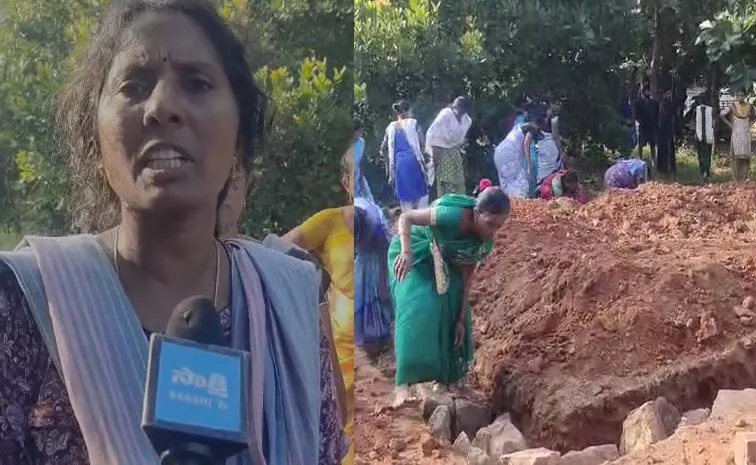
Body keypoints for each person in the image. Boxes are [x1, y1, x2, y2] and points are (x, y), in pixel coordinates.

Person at [0, 1, 348, 464]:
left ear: (239, 134)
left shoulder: (287, 301)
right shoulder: (24, 301)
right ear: (95, 133)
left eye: (197, 83)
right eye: (134, 86)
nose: (162, 108)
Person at [388, 189, 510, 406]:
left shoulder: (484, 243)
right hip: (415, 248)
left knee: (451, 308)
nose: (493, 231)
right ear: (476, 213)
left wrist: (461, 317)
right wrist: (406, 253)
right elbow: (406, 218)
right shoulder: (451, 215)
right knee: (419, 306)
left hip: (446, 258)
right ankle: (404, 385)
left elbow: (467, 274)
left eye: (499, 226)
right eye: (490, 223)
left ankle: (444, 379)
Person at [283, 148, 355, 465]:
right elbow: (279, 250)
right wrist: (311, 287)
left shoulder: (381, 223)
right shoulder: (331, 222)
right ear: (346, 181)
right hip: (341, 350)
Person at [354, 194, 393, 353]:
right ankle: (365, 336)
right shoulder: (348, 219)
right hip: (363, 256)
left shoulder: (376, 227)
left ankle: (380, 336)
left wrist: (384, 282)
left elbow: (384, 254)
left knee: (376, 290)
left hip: (378, 255)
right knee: (358, 290)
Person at [380, 100, 429, 211]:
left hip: (399, 165)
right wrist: (424, 156)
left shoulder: (390, 127)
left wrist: (388, 166)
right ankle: (422, 223)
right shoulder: (413, 123)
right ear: (408, 111)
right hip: (414, 163)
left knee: (405, 200)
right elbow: (422, 143)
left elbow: (383, 149)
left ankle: (408, 223)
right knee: (421, 196)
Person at [425, 96, 473, 197]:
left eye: (462, 110)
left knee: (458, 182)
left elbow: (460, 141)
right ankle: (445, 205)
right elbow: (434, 135)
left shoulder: (467, 120)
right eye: (457, 109)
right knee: (445, 182)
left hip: (454, 151)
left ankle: (459, 204)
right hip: (440, 151)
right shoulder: (445, 114)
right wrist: (435, 159)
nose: (459, 112)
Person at [494, 116, 544, 199]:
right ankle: (519, 204)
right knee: (521, 182)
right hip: (509, 154)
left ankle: (510, 205)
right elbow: (526, 143)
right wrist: (529, 165)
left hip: (499, 153)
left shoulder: (518, 127)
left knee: (508, 183)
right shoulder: (532, 128)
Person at [720, 88, 756, 181]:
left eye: (742, 95)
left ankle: (745, 176)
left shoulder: (750, 106)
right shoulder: (733, 106)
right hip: (736, 132)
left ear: (745, 96)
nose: (740, 97)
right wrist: (730, 125)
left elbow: (754, 116)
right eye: (738, 95)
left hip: (745, 133)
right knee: (737, 154)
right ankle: (736, 177)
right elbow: (722, 115)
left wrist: (750, 124)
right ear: (736, 96)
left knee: (746, 155)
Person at [635, 86, 659, 166]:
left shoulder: (654, 103)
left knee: (652, 145)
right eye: (645, 91)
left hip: (652, 127)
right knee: (641, 145)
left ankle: (653, 160)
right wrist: (640, 121)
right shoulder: (639, 103)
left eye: (648, 91)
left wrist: (656, 123)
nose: (647, 93)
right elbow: (636, 115)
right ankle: (640, 159)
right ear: (642, 93)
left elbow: (657, 114)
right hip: (643, 127)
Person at [657, 89, 677, 178]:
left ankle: (671, 168)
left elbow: (673, 117)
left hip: (669, 130)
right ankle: (663, 168)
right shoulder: (662, 103)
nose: (669, 95)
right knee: (662, 150)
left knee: (670, 151)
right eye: (668, 93)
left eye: (670, 94)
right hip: (662, 130)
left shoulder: (671, 104)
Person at [695, 95, 715, 180]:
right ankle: (706, 172)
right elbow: (714, 123)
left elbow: (691, 121)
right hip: (708, 135)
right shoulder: (711, 110)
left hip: (699, 135)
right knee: (707, 155)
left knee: (701, 155)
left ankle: (703, 172)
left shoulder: (696, 109)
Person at [354, 119, 374, 201]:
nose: (360, 133)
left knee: (368, 198)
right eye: (358, 131)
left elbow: (362, 160)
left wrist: (361, 177)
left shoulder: (361, 142)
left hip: (358, 174)